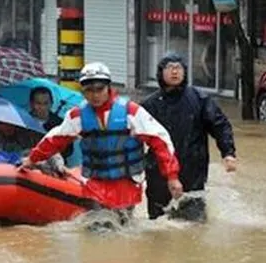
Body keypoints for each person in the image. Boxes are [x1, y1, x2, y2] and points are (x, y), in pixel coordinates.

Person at [19, 62, 183, 224]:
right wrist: (32, 159)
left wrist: (172, 176)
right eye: (89, 90)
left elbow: (160, 140)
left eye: (99, 89)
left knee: (122, 229)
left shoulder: (131, 112)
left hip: (126, 183)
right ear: (83, 91)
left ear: (109, 87)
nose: (95, 95)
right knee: (97, 228)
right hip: (95, 184)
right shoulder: (77, 116)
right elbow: (54, 139)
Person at [141, 52, 237, 222]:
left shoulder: (200, 99)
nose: (174, 72)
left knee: (194, 225)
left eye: (178, 68)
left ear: (185, 72)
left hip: (193, 171)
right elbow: (134, 138)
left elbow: (220, 125)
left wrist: (228, 153)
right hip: (158, 173)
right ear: (160, 73)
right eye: (170, 68)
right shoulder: (149, 105)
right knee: (158, 226)